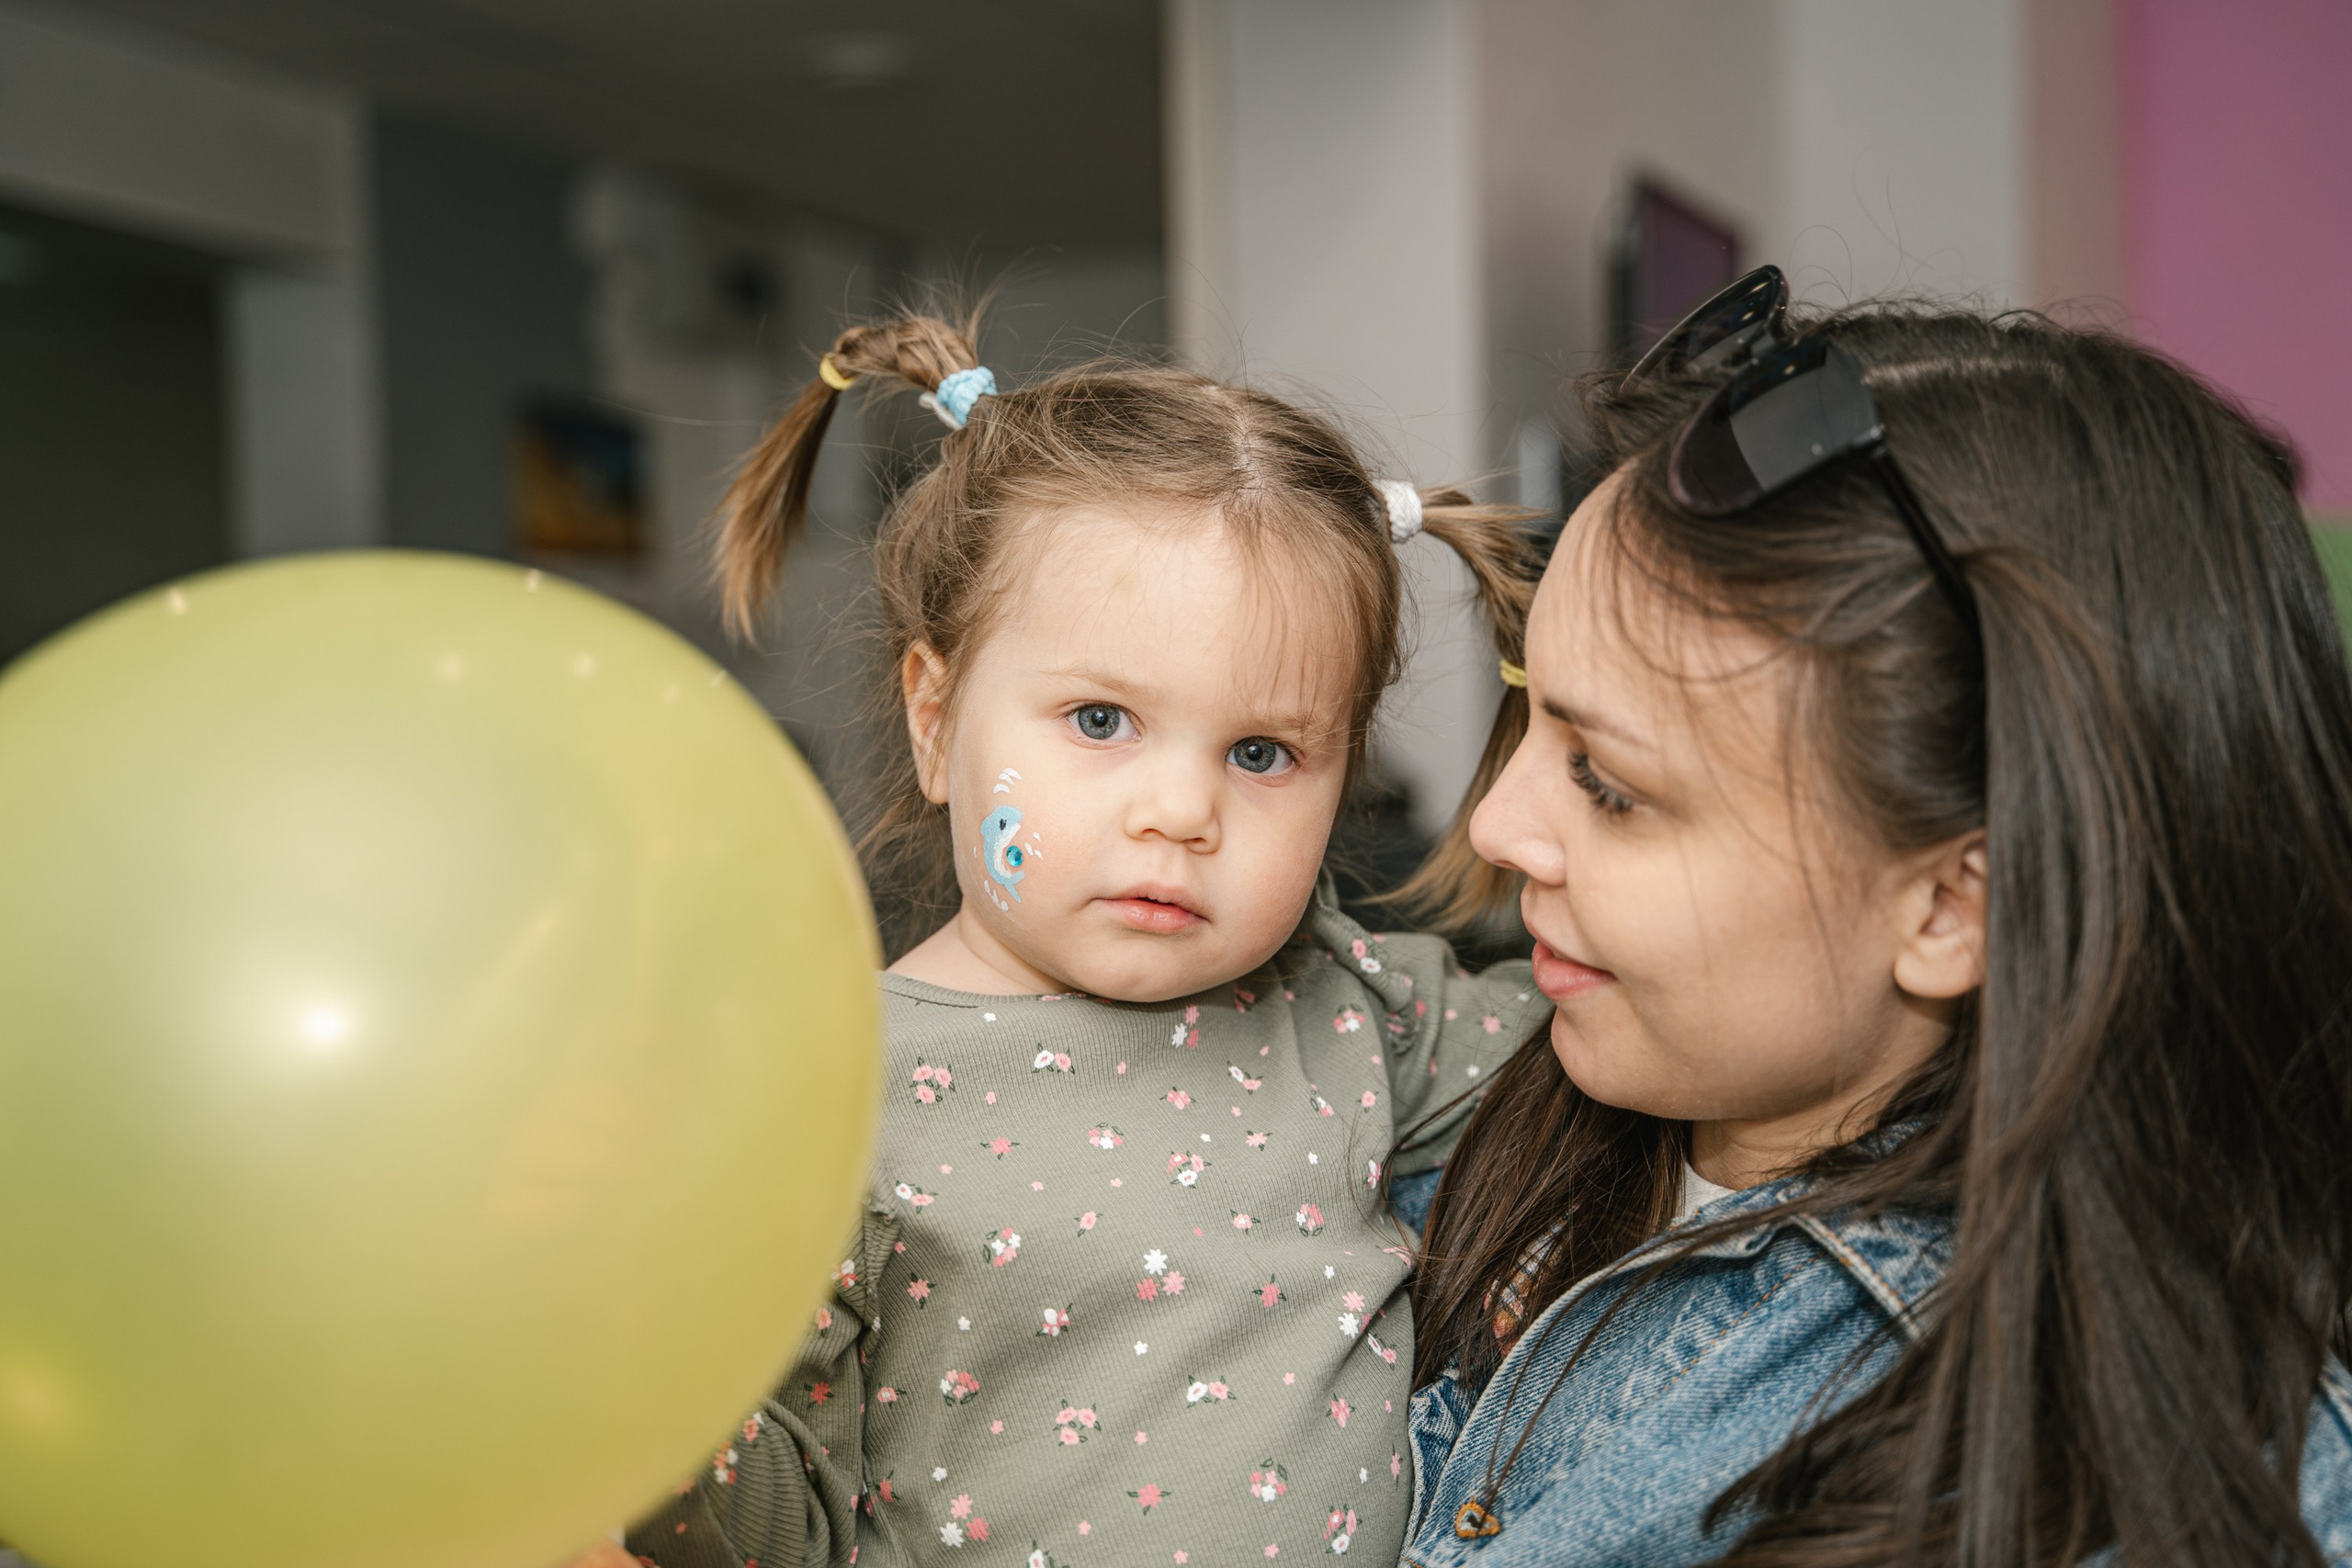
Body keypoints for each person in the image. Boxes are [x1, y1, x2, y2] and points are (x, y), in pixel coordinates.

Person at [1398, 273, 2352, 1567]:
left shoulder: (2164, 1497)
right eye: (1530, 709)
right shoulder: (1456, 1109)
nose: (1499, 827)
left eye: (1612, 787)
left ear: (1957, 906)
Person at [620, 313, 1552, 1568]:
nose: (1181, 812)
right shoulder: (822, 1091)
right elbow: (775, 1536)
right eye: (1102, 720)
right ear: (938, 722)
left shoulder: (1343, 1001)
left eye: (1264, 753)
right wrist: (640, 1352)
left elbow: (1614, 1041)